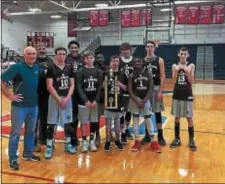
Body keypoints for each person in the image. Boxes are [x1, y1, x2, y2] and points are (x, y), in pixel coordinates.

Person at [1, 46, 41, 170]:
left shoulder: (36, 68)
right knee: (16, 133)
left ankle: (28, 153)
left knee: (30, 131)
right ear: (25, 55)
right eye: (29, 53)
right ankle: (13, 158)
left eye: (34, 53)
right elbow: (2, 81)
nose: (32, 56)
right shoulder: (17, 67)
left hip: (33, 106)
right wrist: (10, 96)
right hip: (19, 107)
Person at [44, 47, 75, 159]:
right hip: (54, 98)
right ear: (55, 55)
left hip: (67, 98)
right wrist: (58, 99)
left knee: (68, 123)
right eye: (59, 54)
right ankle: (49, 145)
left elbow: (72, 84)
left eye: (63, 54)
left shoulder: (69, 68)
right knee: (51, 123)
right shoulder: (51, 68)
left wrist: (67, 98)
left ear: (66, 55)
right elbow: (49, 86)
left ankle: (68, 144)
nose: (61, 56)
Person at [128, 58, 161, 153]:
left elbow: (151, 88)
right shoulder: (131, 75)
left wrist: (144, 100)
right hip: (135, 99)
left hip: (145, 99)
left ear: (142, 63)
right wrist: (137, 101)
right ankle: (137, 141)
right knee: (135, 119)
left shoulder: (148, 74)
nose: (137, 63)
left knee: (148, 118)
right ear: (133, 64)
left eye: (138, 62)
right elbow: (130, 90)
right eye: (135, 62)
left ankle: (153, 141)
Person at [170, 47, 197, 151]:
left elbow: (192, 81)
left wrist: (187, 72)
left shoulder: (191, 66)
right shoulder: (174, 66)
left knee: (189, 117)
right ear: (178, 54)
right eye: (181, 54)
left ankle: (191, 140)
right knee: (176, 117)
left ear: (187, 55)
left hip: (187, 94)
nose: (183, 56)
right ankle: (177, 139)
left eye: (185, 54)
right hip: (177, 94)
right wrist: (176, 72)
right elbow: (173, 80)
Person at [76, 51, 103, 153]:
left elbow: (100, 87)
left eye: (91, 58)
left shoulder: (98, 71)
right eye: (87, 58)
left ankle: (91, 140)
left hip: (94, 101)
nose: (89, 59)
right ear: (84, 59)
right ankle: (84, 141)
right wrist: (85, 100)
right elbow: (78, 87)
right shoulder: (80, 71)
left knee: (93, 121)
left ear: (93, 59)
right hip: (83, 102)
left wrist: (96, 100)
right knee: (83, 122)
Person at [142, 40, 166, 146]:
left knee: (157, 112)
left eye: (152, 46)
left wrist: (161, 91)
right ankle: (148, 135)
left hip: (156, 88)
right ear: (145, 48)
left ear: (154, 48)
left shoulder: (159, 60)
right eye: (148, 46)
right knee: (146, 113)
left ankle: (160, 136)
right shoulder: (142, 61)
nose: (150, 48)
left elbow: (163, 75)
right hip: (146, 89)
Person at [104, 55, 126, 152]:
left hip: (119, 101)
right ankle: (108, 141)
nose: (115, 63)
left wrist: (117, 82)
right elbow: (102, 86)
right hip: (109, 100)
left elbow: (125, 88)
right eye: (113, 61)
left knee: (117, 123)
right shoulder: (106, 73)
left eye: (117, 61)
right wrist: (108, 81)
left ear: (119, 62)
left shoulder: (122, 73)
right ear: (110, 62)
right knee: (108, 123)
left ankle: (118, 140)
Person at [34, 42, 53, 152]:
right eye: (39, 48)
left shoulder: (50, 61)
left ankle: (44, 140)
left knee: (46, 119)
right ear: (36, 50)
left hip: (47, 95)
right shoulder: (33, 60)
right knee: (35, 120)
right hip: (35, 94)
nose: (42, 50)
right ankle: (34, 143)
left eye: (43, 48)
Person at [65, 40, 84, 147]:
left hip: (81, 91)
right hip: (68, 91)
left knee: (79, 115)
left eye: (75, 47)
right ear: (69, 49)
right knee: (70, 116)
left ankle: (80, 136)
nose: (74, 49)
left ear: (78, 48)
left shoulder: (83, 59)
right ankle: (71, 136)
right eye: (72, 48)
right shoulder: (66, 58)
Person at [119, 42, 136, 144]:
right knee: (121, 112)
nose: (125, 51)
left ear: (130, 50)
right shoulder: (118, 60)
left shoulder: (135, 61)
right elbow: (114, 74)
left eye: (126, 49)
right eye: (123, 50)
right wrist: (121, 85)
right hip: (121, 89)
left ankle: (126, 129)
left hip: (132, 90)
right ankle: (122, 132)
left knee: (129, 112)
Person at [94, 52, 108, 147]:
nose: (99, 59)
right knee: (97, 118)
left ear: (104, 58)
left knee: (108, 117)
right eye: (98, 58)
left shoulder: (107, 69)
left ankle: (109, 134)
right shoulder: (93, 69)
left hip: (107, 97)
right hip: (97, 98)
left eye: (101, 57)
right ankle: (97, 135)